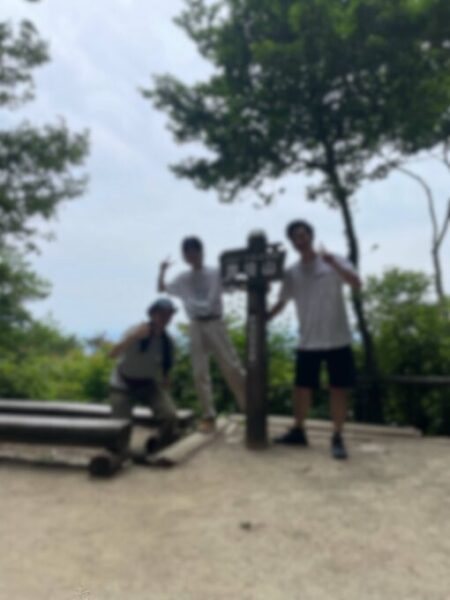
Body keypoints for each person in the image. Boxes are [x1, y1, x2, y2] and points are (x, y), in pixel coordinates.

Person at [267, 220, 361, 459]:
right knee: (301, 388)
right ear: (292, 242)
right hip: (308, 339)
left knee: (338, 389)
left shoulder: (334, 260)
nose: (300, 240)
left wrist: (334, 264)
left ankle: (337, 436)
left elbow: (356, 283)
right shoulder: (292, 272)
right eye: (295, 237)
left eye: (303, 235)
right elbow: (281, 301)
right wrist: (263, 318)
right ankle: (298, 430)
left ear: (311, 236)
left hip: (338, 338)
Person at [158, 236, 246, 433]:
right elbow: (161, 288)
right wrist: (162, 270)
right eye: (187, 252)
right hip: (195, 324)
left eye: (193, 251)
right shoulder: (182, 278)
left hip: (215, 322)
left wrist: (252, 283)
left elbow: (236, 285)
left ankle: (248, 407)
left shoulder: (216, 272)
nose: (190, 255)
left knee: (232, 367)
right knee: (199, 372)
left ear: (201, 252)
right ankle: (208, 415)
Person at [109, 298, 179, 448]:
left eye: (168, 315)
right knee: (120, 425)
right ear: (152, 314)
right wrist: (134, 337)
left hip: (149, 384)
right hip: (123, 385)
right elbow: (112, 354)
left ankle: (158, 445)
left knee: (170, 416)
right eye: (161, 314)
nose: (165, 318)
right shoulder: (135, 331)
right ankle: (119, 451)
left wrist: (166, 379)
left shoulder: (168, 341)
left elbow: (167, 365)